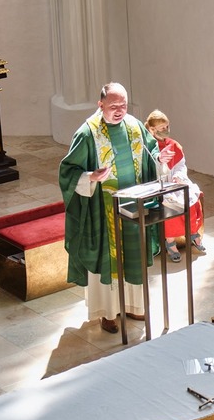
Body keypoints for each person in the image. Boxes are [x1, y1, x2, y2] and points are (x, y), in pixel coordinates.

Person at [58, 82, 160, 334]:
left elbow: (151, 151)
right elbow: (67, 171)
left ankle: (134, 305)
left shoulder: (134, 126)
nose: (119, 110)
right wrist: (90, 177)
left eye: (123, 105)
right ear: (100, 104)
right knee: (108, 259)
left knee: (134, 256)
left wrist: (160, 159)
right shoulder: (87, 133)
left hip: (134, 205)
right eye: (113, 106)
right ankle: (107, 313)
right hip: (103, 209)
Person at [145, 109, 207, 262]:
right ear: (152, 129)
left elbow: (180, 165)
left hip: (175, 181)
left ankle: (193, 233)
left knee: (191, 196)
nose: (166, 130)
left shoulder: (174, 145)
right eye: (162, 128)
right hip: (158, 185)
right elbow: (148, 168)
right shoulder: (147, 147)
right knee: (169, 205)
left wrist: (179, 176)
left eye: (167, 126)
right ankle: (170, 242)